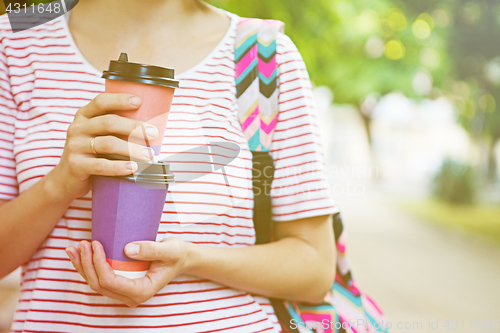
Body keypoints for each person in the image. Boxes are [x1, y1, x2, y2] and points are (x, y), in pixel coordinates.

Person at [0, 0, 339, 332]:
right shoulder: (13, 40)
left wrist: (189, 259)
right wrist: (60, 183)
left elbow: (314, 269)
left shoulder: (262, 54)